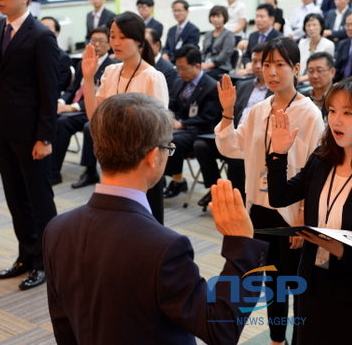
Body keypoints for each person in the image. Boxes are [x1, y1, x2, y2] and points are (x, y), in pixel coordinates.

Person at [43, 92, 269, 345]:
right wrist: (242, 246)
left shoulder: (56, 228)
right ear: (152, 156)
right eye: (168, 148)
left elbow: (63, 324)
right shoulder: (164, 247)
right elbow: (220, 328)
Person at [266, 76, 352, 345]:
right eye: (331, 111)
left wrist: (337, 247)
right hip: (313, 283)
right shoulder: (322, 159)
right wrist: (279, 153)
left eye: (347, 113)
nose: (336, 120)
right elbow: (279, 197)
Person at [215, 37, 324, 345]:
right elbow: (232, 146)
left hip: (291, 212)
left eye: (280, 65)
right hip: (259, 208)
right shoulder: (258, 109)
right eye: (267, 65)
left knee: (292, 284)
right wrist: (227, 112)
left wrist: (302, 217)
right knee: (264, 282)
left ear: (296, 69)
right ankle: (277, 339)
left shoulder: (309, 113)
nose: (272, 72)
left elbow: (315, 169)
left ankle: (300, 337)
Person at [0, 0, 59, 290]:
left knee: (39, 199)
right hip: (2, 127)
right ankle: (26, 256)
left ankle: (47, 263)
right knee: (15, 198)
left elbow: (48, 90)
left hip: (31, 133)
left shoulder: (41, 36)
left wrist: (46, 137)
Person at [79, 11, 169, 224]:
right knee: (117, 220)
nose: (115, 42)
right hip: (113, 158)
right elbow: (94, 117)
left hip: (141, 160)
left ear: (139, 41)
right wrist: (88, 78)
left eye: (122, 37)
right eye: (112, 36)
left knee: (148, 223)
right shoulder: (110, 71)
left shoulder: (152, 76)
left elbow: (159, 128)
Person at [194, 43, 273, 208]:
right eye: (254, 61)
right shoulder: (244, 85)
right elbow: (230, 114)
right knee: (201, 145)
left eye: (262, 62)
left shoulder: (276, 91)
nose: (257, 66)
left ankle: (237, 201)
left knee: (236, 156)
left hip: (255, 141)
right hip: (234, 133)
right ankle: (216, 188)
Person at [51, 27, 116, 186]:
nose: (97, 44)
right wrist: (61, 103)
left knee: (69, 123)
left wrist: (72, 107)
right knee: (52, 116)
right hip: (77, 106)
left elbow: (100, 95)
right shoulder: (83, 62)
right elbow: (72, 89)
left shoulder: (112, 66)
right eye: (94, 40)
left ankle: (89, 171)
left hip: (97, 109)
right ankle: (50, 169)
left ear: (109, 44)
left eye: (101, 41)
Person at [163, 45, 221, 199]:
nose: (180, 72)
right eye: (178, 68)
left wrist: (182, 124)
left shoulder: (212, 86)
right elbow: (171, 105)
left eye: (184, 68)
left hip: (202, 130)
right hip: (179, 126)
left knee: (174, 140)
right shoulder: (178, 82)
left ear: (197, 65)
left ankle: (176, 181)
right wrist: (170, 118)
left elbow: (209, 116)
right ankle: (160, 179)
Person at [239, 4, 282, 76]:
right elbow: (247, 55)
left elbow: (277, 61)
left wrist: (255, 69)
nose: (258, 20)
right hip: (252, 73)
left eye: (262, 17)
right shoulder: (253, 35)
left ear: (272, 19)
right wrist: (248, 64)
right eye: (257, 17)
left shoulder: (279, 38)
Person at [201, 5, 236, 80]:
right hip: (206, 65)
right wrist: (201, 62)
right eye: (213, 17)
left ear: (224, 18)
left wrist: (209, 65)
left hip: (221, 67)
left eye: (218, 17)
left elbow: (224, 54)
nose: (215, 19)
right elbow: (203, 52)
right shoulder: (208, 34)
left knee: (202, 77)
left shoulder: (228, 35)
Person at [298, 13, 335, 82]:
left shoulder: (328, 44)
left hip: (317, 80)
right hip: (299, 80)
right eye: (308, 25)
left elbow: (323, 70)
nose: (311, 28)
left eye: (314, 25)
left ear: (321, 27)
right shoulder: (302, 42)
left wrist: (300, 79)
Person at [162, 0, 200, 64]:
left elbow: (189, 50)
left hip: (183, 62)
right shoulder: (171, 30)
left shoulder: (193, 30)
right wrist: (165, 54)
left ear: (187, 12)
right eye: (175, 11)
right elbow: (167, 47)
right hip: (169, 62)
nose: (177, 13)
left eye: (179, 10)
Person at [40, 16, 71, 93]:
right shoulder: (29, 52)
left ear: (56, 33)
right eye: (40, 28)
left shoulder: (63, 58)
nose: (42, 32)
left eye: (47, 28)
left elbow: (57, 86)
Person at [304, 52, 336, 119]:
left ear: (332, 72)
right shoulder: (302, 98)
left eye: (320, 70)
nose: (315, 76)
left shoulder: (339, 98)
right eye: (311, 71)